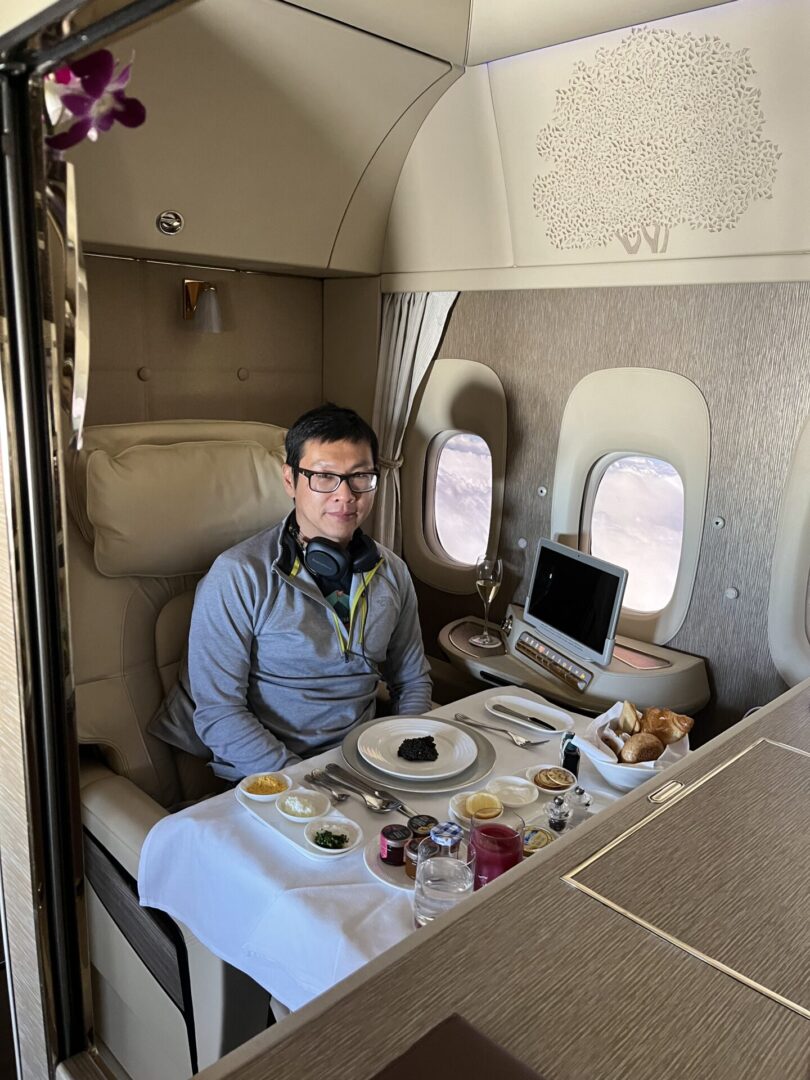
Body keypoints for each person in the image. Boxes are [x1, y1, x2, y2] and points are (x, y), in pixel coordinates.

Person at [186, 403, 432, 779]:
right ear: (290, 480)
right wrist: (307, 784)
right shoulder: (238, 576)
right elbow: (219, 713)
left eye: (360, 476)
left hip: (367, 766)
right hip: (270, 778)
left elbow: (412, 680)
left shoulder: (393, 572)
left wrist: (405, 755)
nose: (345, 495)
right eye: (324, 477)